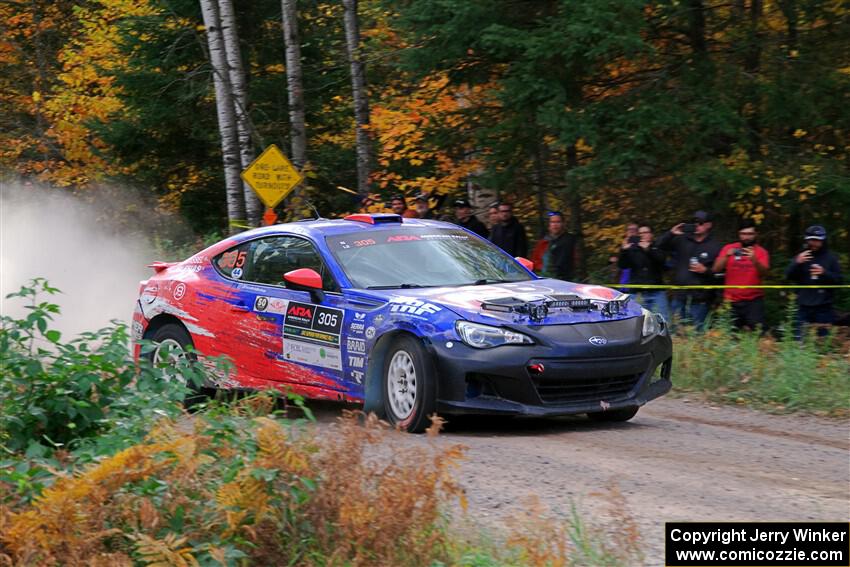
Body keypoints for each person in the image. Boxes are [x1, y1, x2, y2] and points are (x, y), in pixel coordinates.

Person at [656, 210, 722, 330]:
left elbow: (719, 275)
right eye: (694, 222)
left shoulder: (715, 246)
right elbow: (658, 245)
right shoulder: (682, 239)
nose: (697, 225)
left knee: (698, 335)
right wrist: (671, 233)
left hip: (700, 300)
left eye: (700, 223)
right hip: (679, 296)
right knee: (675, 333)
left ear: (708, 225)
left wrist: (705, 270)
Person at [785, 225, 844, 338]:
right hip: (802, 306)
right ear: (807, 240)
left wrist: (824, 273)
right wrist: (797, 263)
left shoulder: (831, 258)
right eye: (812, 240)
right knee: (799, 341)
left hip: (824, 307)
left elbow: (839, 281)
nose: (814, 243)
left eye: (817, 240)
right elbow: (788, 276)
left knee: (823, 342)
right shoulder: (801, 256)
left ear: (823, 240)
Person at [712, 219, 770, 332]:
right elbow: (715, 269)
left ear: (755, 234)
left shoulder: (761, 252)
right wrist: (726, 256)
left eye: (750, 234)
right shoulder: (729, 248)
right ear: (739, 234)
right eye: (743, 234)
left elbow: (765, 274)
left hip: (753, 301)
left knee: (758, 334)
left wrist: (755, 261)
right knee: (727, 335)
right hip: (730, 301)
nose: (746, 237)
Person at [618, 224, 669, 320]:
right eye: (640, 233)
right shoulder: (633, 249)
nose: (642, 235)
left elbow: (662, 261)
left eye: (645, 232)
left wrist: (648, 250)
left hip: (656, 292)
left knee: (663, 320)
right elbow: (622, 265)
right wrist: (624, 250)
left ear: (651, 234)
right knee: (638, 321)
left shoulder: (657, 247)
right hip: (638, 293)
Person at [530, 212, 577, 280]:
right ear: (549, 225)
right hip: (543, 279)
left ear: (563, 224)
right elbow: (534, 261)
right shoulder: (543, 242)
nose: (555, 225)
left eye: (558, 222)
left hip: (564, 280)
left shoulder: (569, 241)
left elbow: (574, 262)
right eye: (552, 222)